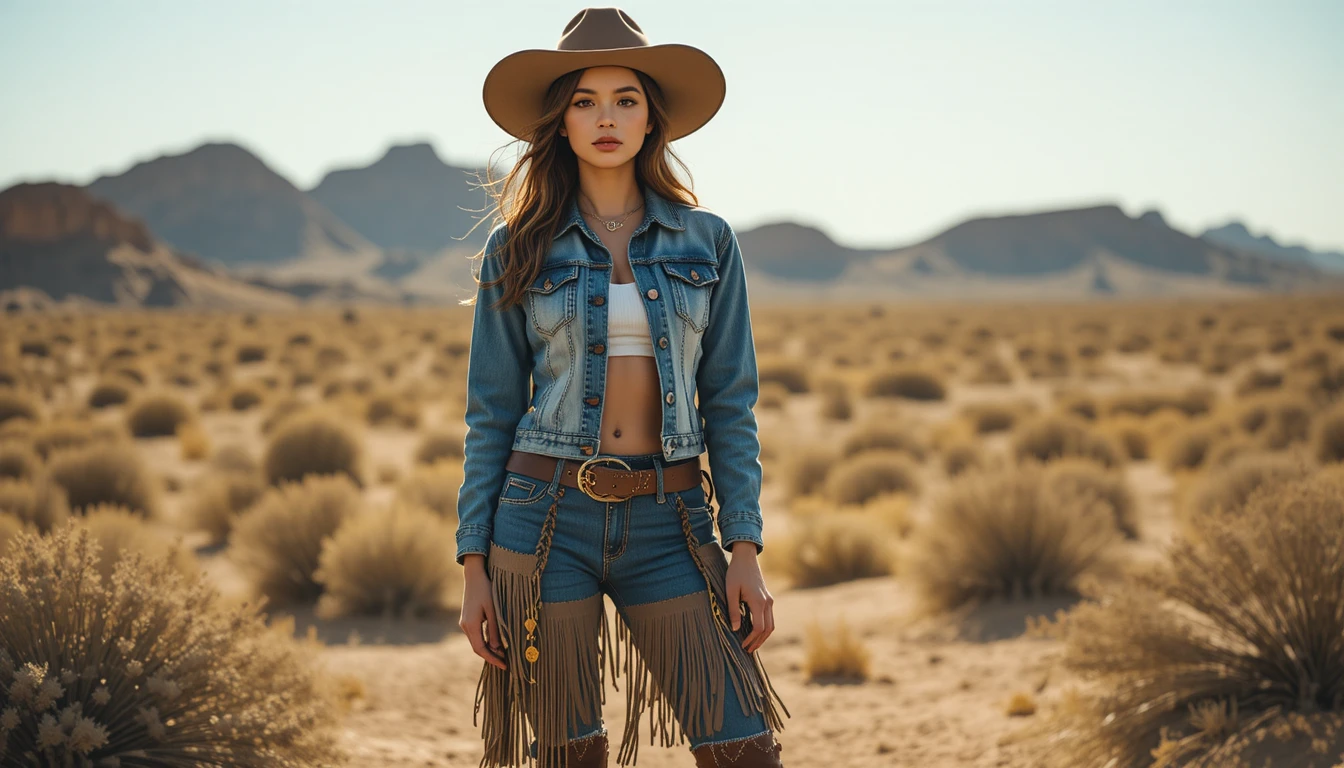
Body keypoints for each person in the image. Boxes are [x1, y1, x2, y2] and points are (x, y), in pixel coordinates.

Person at [456, 8, 791, 768]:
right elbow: (491, 414)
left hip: (671, 524)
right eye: (585, 100)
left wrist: (744, 546)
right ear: (562, 123)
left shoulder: (708, 241)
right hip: (542, 526)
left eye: (626, 99)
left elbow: (731, 402)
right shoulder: (517, 248)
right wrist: (473, 564)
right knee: (570, 755)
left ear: (651, 121)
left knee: (742, 746)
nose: (606, 117)